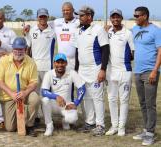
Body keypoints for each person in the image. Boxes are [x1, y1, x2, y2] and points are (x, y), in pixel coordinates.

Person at [74, 6, 110, 136]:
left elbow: (105, 50)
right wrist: (76, 70)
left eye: (82, 15)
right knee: (86, 97)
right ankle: (90, 122)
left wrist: (103, 70)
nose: (80, 18)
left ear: (89, 16)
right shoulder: (78, 31)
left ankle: (100, 125)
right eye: (79, 15)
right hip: (82, 70)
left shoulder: (98, 30)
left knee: (97, 98)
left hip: (95, 68)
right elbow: (77, 51)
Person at [0, 37, 41, 137]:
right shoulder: (4, 60)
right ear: (12, 49)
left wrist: (25, 93)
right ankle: (20, 118)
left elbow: (34, 82)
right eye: (16, 49)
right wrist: (11, 93)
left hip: (24, 94)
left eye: (21, 49)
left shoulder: (31, 62)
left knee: (35, 98)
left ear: (25, 49)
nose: (18, 52)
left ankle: (29, 125)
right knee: (10, 128)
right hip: (9, 96)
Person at [132, 6, 161, 146]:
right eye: (134, 15)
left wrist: (155, 70)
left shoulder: (156, 31)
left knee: (150, 104)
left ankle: (150, 133)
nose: (135, 18)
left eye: (137, 16)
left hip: (150, 71)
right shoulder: (135, 29)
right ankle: (146, 129)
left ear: (145, 16)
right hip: (137, 71)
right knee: (142, 103)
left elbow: (160, 51)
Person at [23, 8, 56, 126]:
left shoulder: (53, 31)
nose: (42, 18)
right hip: (34, 68)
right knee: (35, 94)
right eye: (40, 16)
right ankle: (35, 117)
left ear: (48, 17)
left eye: (44, 16)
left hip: (48, 68)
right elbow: (27, 48)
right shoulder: (32, 30)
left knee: (46, 94)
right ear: (37, 17)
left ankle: (48, 119)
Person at [105, 9, 134, 136]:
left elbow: (133, 51)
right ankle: (114, 126)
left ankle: (121, 127)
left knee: (124, 100)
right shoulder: (107, 32)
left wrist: (125, 60)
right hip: (111, 72)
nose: (115, 19)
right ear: (111, 19)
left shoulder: (128, 33)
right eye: (113, 17)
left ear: (121, 18)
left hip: (124, 71)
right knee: (111, 99)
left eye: (118, 17)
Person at [41, 53, 86, 136]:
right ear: (54, 63)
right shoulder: (49, 74)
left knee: (72, 119)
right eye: (58, 62)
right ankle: (49, 125)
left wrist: (75, 103)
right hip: (54, 104)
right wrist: (56, 96)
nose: (60, 65)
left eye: (62, 62)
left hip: (67, 105)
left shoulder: (71, 73)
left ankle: (65, 121)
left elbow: (82, 88)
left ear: (66, 63)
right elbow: (44, 91)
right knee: (45, 100)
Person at [52, 1, 79, 70]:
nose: (65, 12)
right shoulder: (57, 22)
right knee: (62, 80)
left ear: (73, 10)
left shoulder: (78, 22)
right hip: (61, 60)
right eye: (63, 10)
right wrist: (28, 26)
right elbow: (44, 25)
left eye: (68, 10)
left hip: (74, 60)